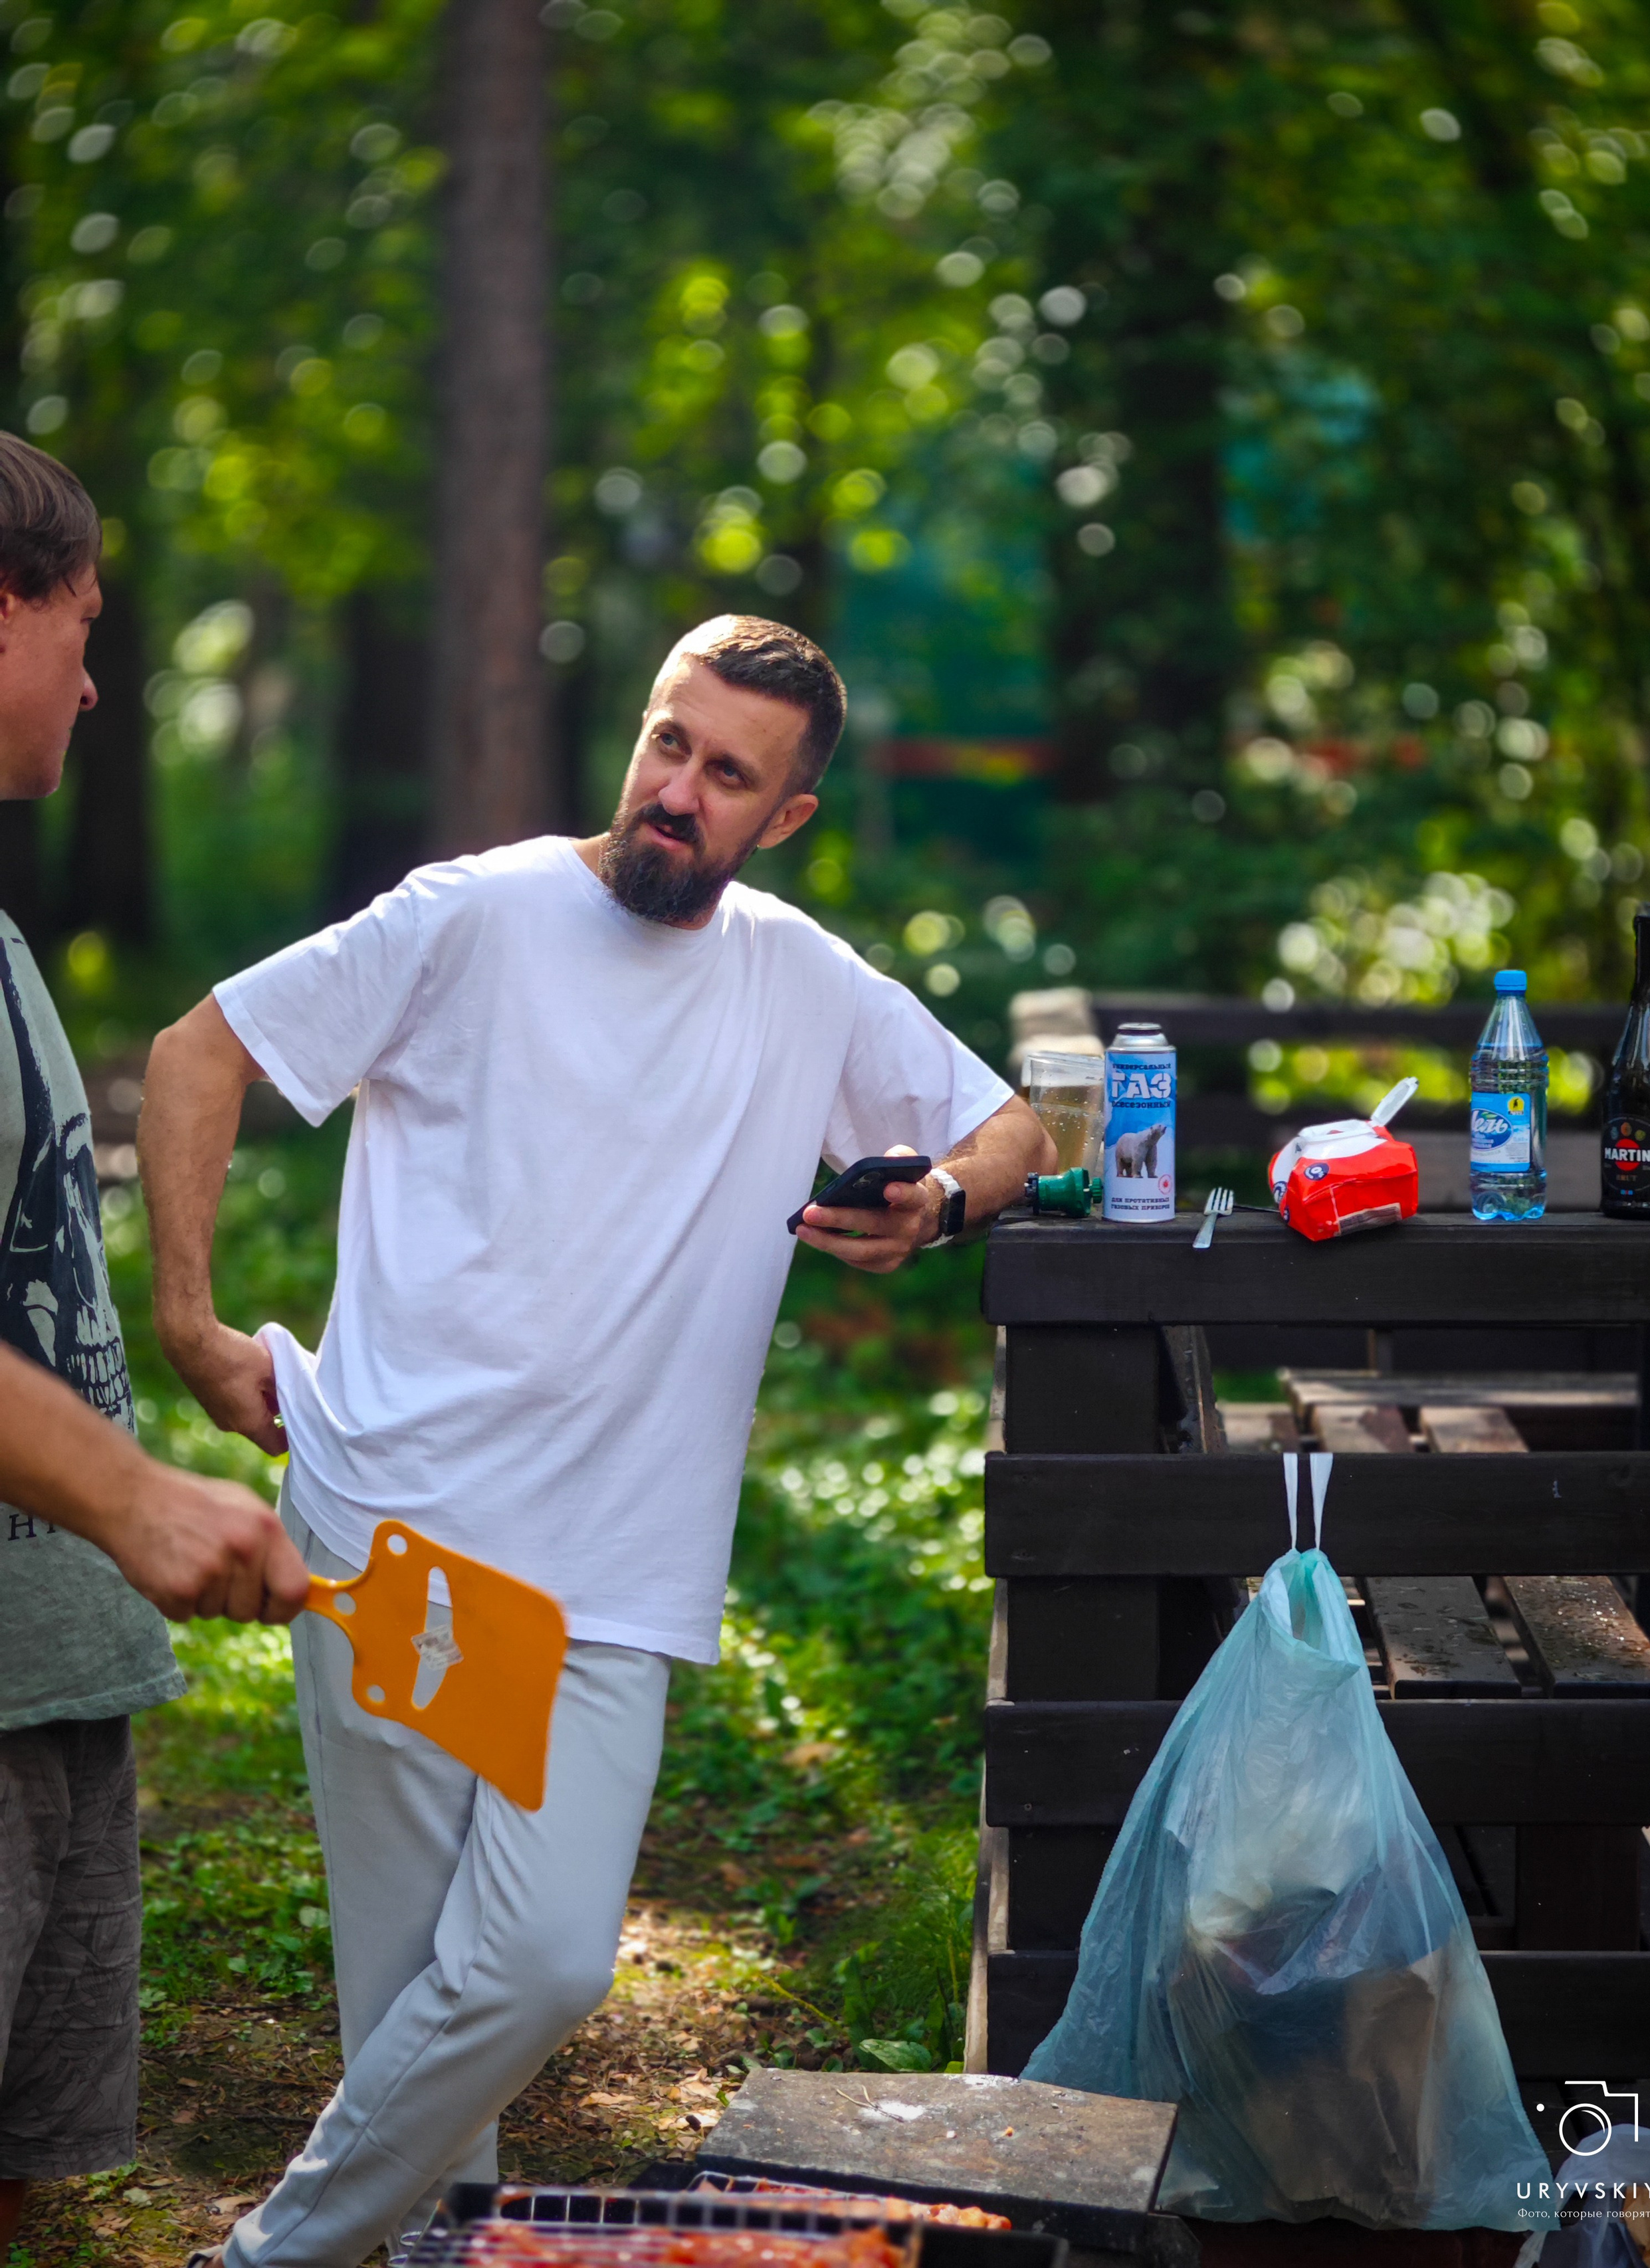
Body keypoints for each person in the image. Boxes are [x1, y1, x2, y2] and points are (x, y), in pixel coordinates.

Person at [140, 613, 1052, 2267]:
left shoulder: (802, 978)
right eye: (664, 743)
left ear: (783, 817)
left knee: (543, 1963)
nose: (674, 792)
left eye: (725, 776)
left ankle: (267, 2258)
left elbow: (1008, 1122)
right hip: (389, 1528)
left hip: (607, 1579)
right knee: (419, 2012)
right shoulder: (471, 916)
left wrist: (940, 1200)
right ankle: (422, 2246)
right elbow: (198, 1052)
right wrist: (192, 1327)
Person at [0, 433, 308, 2263]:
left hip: (54, 1681)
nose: (101, 676)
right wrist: (134, 1493)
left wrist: (179, 1349)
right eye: (83, 623)